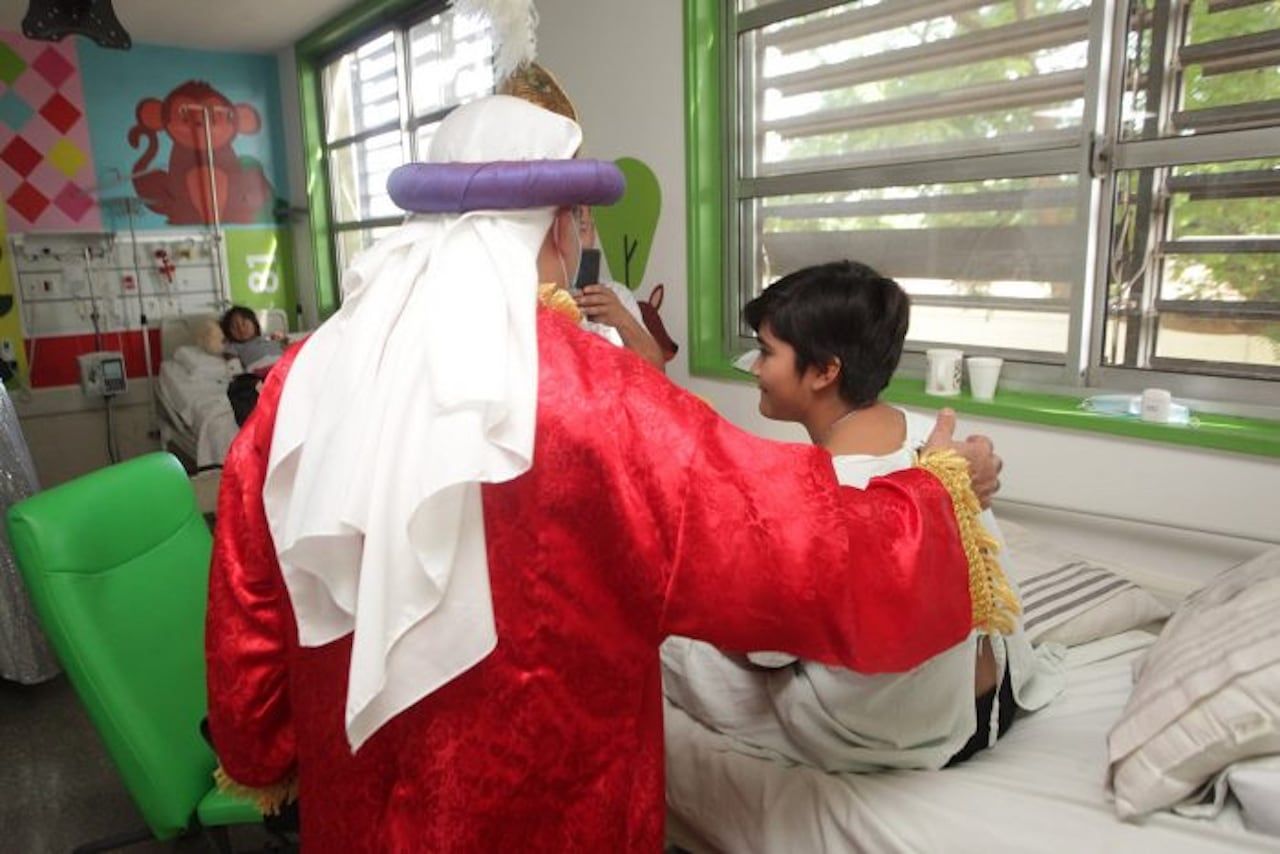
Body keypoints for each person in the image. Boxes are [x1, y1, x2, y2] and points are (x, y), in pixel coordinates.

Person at [204, 91, 1007, 851]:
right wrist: (938, 489)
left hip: (359, 778)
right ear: (557, 226)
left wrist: (259, 737)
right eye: (579, 221)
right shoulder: (593, 395)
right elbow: (782, 541)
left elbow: (250, 584)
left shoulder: (304, 374)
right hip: (546, 798)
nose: (584, 240)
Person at [662, 260, 1064, 773]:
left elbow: (766, 650)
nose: (754, 368)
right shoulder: (936, 444)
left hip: (916, 729)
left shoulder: (826, 495)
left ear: (826, 371)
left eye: (766, 352)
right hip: (997, 696)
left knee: (666, 638)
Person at [569, 205, 666, 370]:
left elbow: (658, 371)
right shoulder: (531, 296)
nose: (576, 242)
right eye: (571, 227)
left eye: (585, 226)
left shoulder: (617, 295)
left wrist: (621, 319)